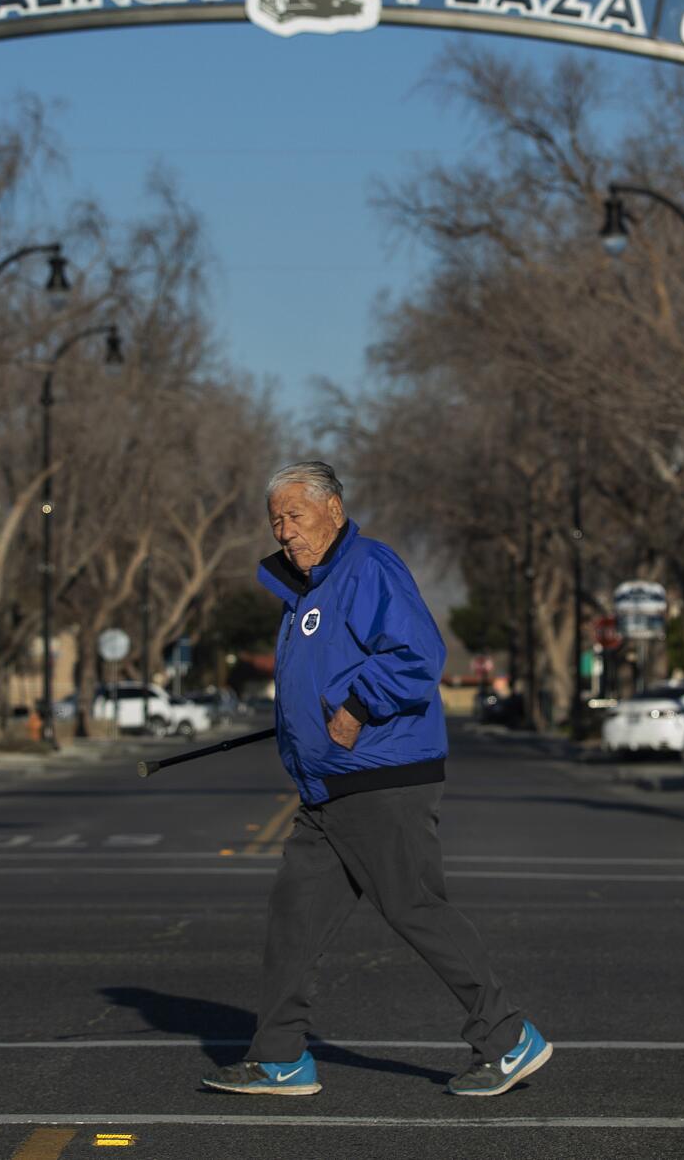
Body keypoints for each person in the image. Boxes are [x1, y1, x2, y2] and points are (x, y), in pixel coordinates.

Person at [202, 461, 550, 1099]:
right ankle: (279, 1058)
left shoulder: (367, 568)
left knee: (415, 908)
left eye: (295, 515)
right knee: (294, 918)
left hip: (382, 777)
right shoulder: (306, 592)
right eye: (276, 520)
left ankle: (507, 1037)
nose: (285, 531)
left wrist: (357, 708)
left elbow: (418, 654)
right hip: (326, 791)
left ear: (333, 509)